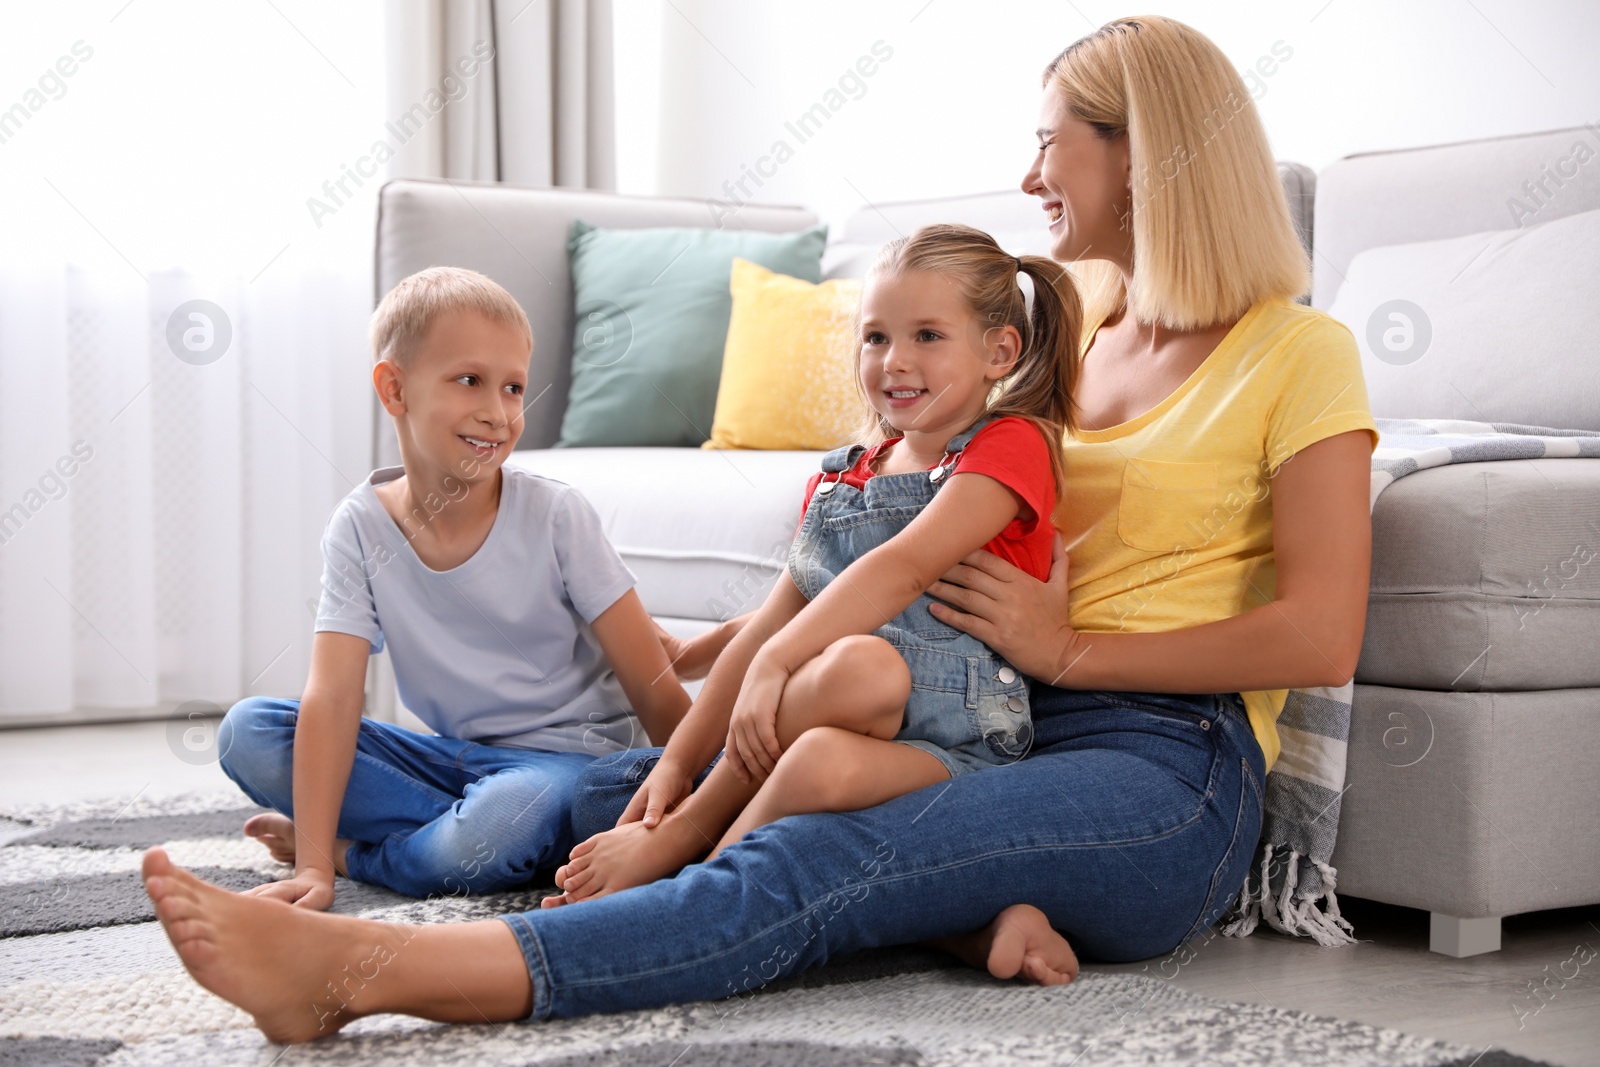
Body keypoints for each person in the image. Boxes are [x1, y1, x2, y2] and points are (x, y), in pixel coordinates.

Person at [142, 15, 1380, 1043]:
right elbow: (920, 523)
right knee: (620, 796)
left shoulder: (1297, 354)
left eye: (1049, 144)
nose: (1029, 177)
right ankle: (957, 914)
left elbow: (1320, 635)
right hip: (995, 717)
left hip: (1163, 769)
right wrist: (763, 636)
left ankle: (368, 972)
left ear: (1145, 151)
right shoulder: (1075, 325)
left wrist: (1072, 655)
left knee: (802, 854)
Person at [543, 225, 1081, 906]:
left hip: (961, 747)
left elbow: (903, 568)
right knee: (835, 708)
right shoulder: (842, 480)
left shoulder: (1012, 447)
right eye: (876, 336)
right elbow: (779, 617)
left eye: (927, 336)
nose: (894, 361)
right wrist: (675, 762)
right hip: (845, 724)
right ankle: (704, 880)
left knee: (862, 668)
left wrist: (773, 665)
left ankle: (684, 844)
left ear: (999, 351)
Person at [215, 266, 697, 908]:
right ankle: (440, 841)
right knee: (249, 732)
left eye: (514, 388)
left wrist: (703, 806)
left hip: (566, 770)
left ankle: (360, 852)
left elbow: (654, 687)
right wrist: (308, 875)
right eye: (469, 380)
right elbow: (332, 697)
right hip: (451, 761)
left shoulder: (557, 516)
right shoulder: (358, 527)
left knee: (509, 816)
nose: (497, 414)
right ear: (395, 388)